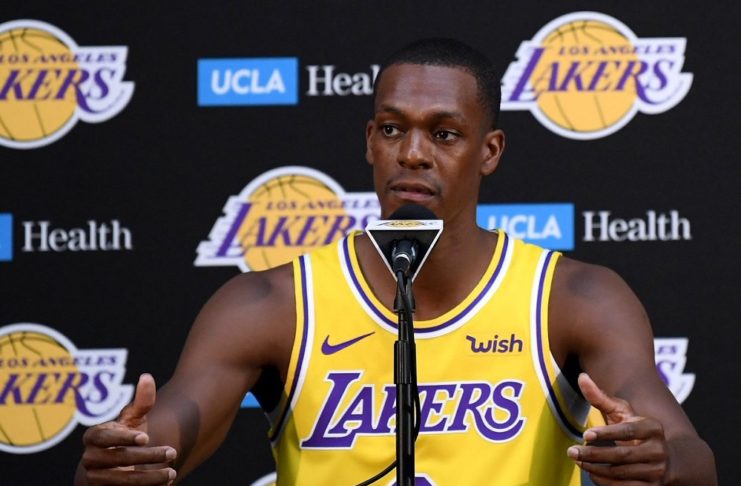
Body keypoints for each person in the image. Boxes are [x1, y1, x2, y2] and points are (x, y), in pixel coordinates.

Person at [75, 38, 716, 485]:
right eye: (391, 129)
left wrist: (658, 460)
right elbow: (166, 435)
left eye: (444, 133)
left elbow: (692, 458)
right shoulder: (273, 304)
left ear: (489, 151)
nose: (411, 153)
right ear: (369, 141)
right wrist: (122, 458)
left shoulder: (572, 298)